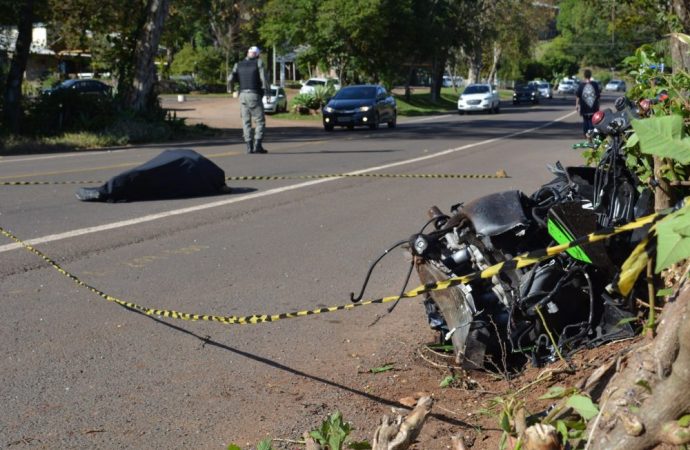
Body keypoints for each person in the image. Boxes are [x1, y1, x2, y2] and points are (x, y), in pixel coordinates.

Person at [227, 46, 270, 154]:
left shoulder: (238, 64)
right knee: (260, 121)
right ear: (257, 54)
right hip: (254, 94)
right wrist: (268, 92)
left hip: (242, 95)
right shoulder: (258, 63)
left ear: (248, 53)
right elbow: (264, 78)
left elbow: (230, 78)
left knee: (246, 121)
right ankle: (258, 145)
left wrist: (230, 89)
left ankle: (249, 146)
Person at [575, 69, 601, 138]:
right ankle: (592, 134)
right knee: (593, 121)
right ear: (590, 75)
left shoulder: (581, 85)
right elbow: (598, 96)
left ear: (584, 76)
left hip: (584, 107)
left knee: (585, 121)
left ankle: (586, 134)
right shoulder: (594, 84)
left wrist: (577, 105)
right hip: (593, 107)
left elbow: (578, 96)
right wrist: (598, 105)